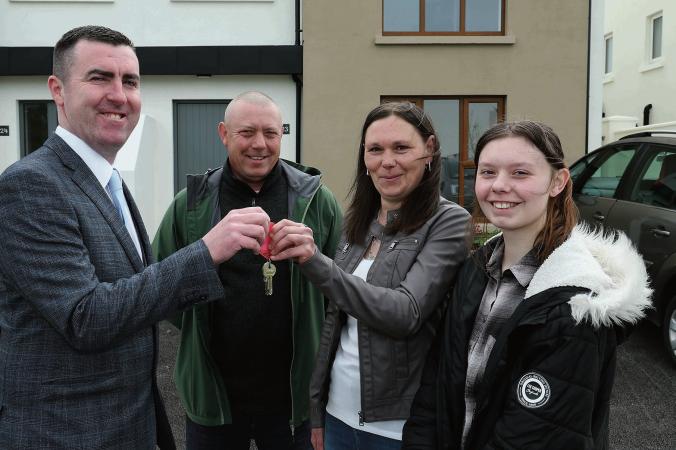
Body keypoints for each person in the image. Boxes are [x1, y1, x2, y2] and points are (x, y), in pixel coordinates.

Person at [0, 26, 272, 450]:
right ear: (58, 89)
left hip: (128, 426)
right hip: (66, 434)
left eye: (130, 81)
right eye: (99, 78)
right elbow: (85, 318)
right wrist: (206, 251)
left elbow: (135, 297)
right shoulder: (32, 186)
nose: (119, 94)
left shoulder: (107, 181)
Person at [402, 121, 653, 450]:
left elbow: (536, 437)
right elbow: (438, 384)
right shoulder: (477, 269)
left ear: (558, 182)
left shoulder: (574, 307)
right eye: (488, 172)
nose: (499, 186)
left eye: (520, 173)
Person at [270, 102, 471, 450]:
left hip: (398, 427)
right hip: (338, 416)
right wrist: (317, 409)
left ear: (430, 150)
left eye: (401, 148)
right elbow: (336, 322)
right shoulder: (358, 221)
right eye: (375, 149)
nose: (386, 161)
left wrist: (315, 261)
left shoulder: (449, 222)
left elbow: (405, 313)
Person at [152, 91, 343, 450]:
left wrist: (314, 256)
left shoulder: (317, 201)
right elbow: (160, 283)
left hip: (294, 398)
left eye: (270, 133)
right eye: (247, 133)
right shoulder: (190, 204)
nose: (260, 144)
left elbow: (343, 289)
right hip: (215, 397)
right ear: (224, 133)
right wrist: (196, 327)